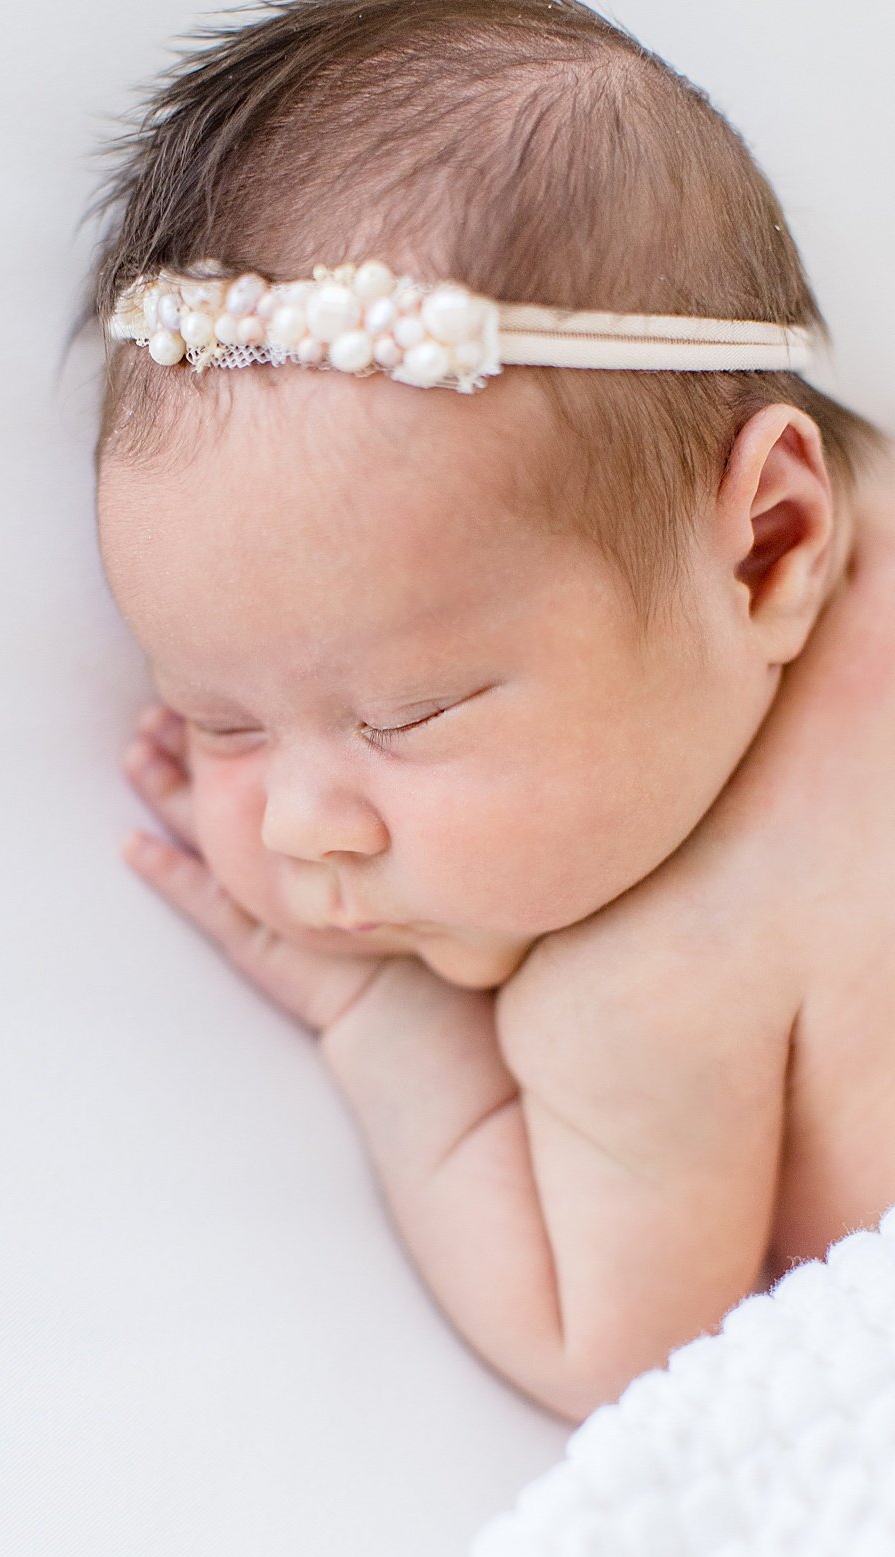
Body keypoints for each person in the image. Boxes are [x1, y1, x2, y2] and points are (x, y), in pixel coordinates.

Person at [74, 0, 895, 1423]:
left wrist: (385, 1026)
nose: (305, 826)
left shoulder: (637, 1002)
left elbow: (618, 1355)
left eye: (408, 717)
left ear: (768, 542)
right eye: (218, 724)